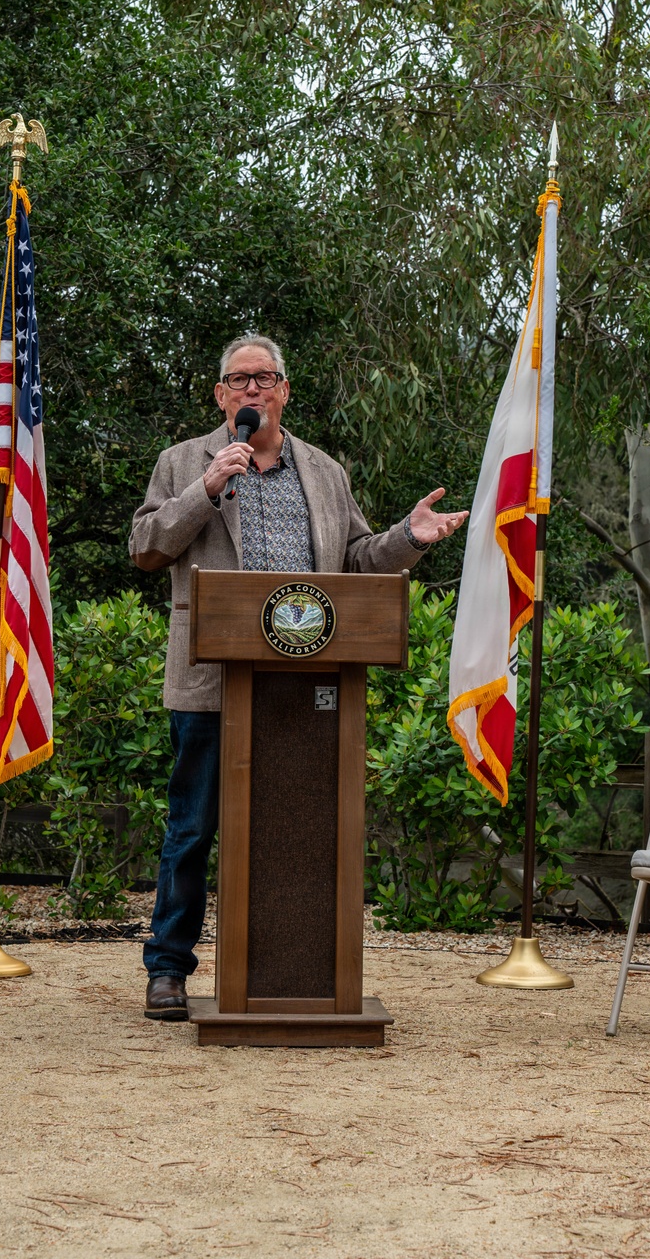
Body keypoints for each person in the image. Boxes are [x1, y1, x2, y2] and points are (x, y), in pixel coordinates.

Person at [129, 334, 468, 1020]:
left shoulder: (324, 471)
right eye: (238, 380)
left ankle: (291, 967)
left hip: (306, 688)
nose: (251, 390)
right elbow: (147, 545)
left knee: (298, 824)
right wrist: (205, 487)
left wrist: (409, 536)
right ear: (220, 395)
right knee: (192, 827)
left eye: (265, 378)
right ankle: (168, 969)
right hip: (210, 681)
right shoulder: (181, 463)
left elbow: (358, 559)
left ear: (285, 391)